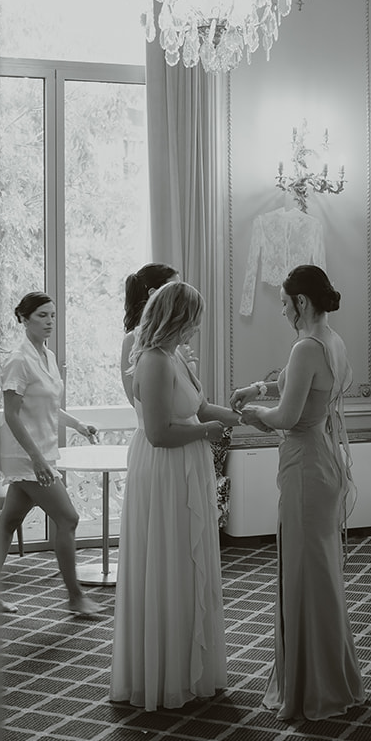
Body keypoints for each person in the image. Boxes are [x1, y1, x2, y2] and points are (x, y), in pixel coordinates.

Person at [232, 265, 365, 721]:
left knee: (305, 574)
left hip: (305, 465)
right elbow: (302, 390)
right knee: (318, 572)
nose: (283, 309)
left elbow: (287, 416)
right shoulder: (332, 340)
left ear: (301, 302)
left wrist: (253, 415)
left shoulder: (307, 346)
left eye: (286, 302)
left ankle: (313, 687)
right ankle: (330, 676)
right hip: (322, 459)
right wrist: (261, 387)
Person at [110, 281, 240, 709]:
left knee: (190, 559)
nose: (199, 327)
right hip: (164, 471)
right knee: (169, 558)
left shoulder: (175, 357)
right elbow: (159, 432)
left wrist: (245, 418)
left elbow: (199, 408)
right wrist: (208, 433)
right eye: (196, 318)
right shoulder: (152, 360)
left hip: (188, 463)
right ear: (179, 318)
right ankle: (163, 672)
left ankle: (189, 664)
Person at [0, 291, 104, 620]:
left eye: (53, 315)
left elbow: (50, 407)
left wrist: (79, 425)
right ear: (24, 318)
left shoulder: (47, 355)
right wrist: (38, 460)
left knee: (8, 522)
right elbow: (12, 415)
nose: (49, 322)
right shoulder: (18, 360)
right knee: (68, 519)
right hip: (28, 456)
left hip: (41, 453)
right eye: (42, 316)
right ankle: (75, 597)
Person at [120, 263, 179, 407]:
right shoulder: (132, 340)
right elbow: (135, 400)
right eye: (174, 289)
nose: (181, 294)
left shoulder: (177, 335)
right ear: (153, 293)